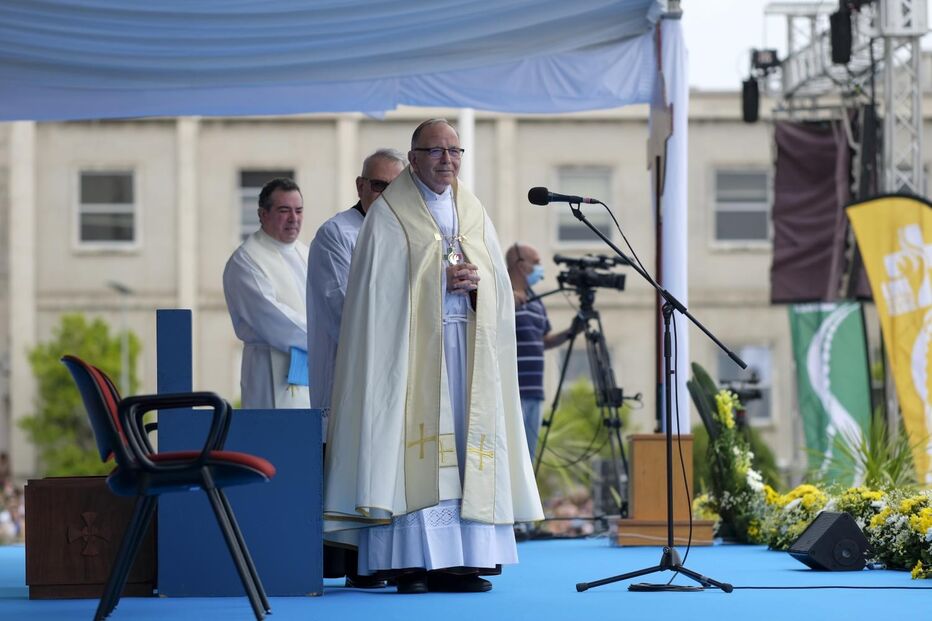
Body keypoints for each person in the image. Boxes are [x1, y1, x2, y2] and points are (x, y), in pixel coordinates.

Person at [323, 119, 543, 594]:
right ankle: (410, 562)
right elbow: (372, 296)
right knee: (414, 455)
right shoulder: (388, 215)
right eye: (437, 151)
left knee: (467, 452)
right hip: (409, 357)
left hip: (466, 347)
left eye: (455, 151)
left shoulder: (473, 210)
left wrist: (479, 285)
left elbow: (499, 283)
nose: (448, 159)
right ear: (414, 157)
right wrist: (436, 283)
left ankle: (463, 561)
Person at [306, 148, 406, 588]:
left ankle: (389, 559)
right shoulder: (337, 234)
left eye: (395, 187)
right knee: (354, 466)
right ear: (361, 186)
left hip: (397, 373)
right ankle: (357, 567)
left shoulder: (405, 230)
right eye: (379, 185)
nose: (386, 196)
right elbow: (345, 309)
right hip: (352, 373)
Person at [223, 177, 309, 409]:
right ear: (263, 214)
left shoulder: (306, 253)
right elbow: (274, 320)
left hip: (312, 369)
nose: (294, 219)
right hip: (269, 371)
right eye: (284, 210)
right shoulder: (246, 261)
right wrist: (329, 338)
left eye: (299, 211)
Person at [506, 243, 582, 460]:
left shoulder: (536, 301)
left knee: (528, 457)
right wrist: (509, 303)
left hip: (534, 392)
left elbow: (543, 341)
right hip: (513, 392)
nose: (540, 268)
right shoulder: (502, 294)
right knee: (513, 458)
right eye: (536, 263)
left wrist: (571, 332)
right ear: (521, 265)